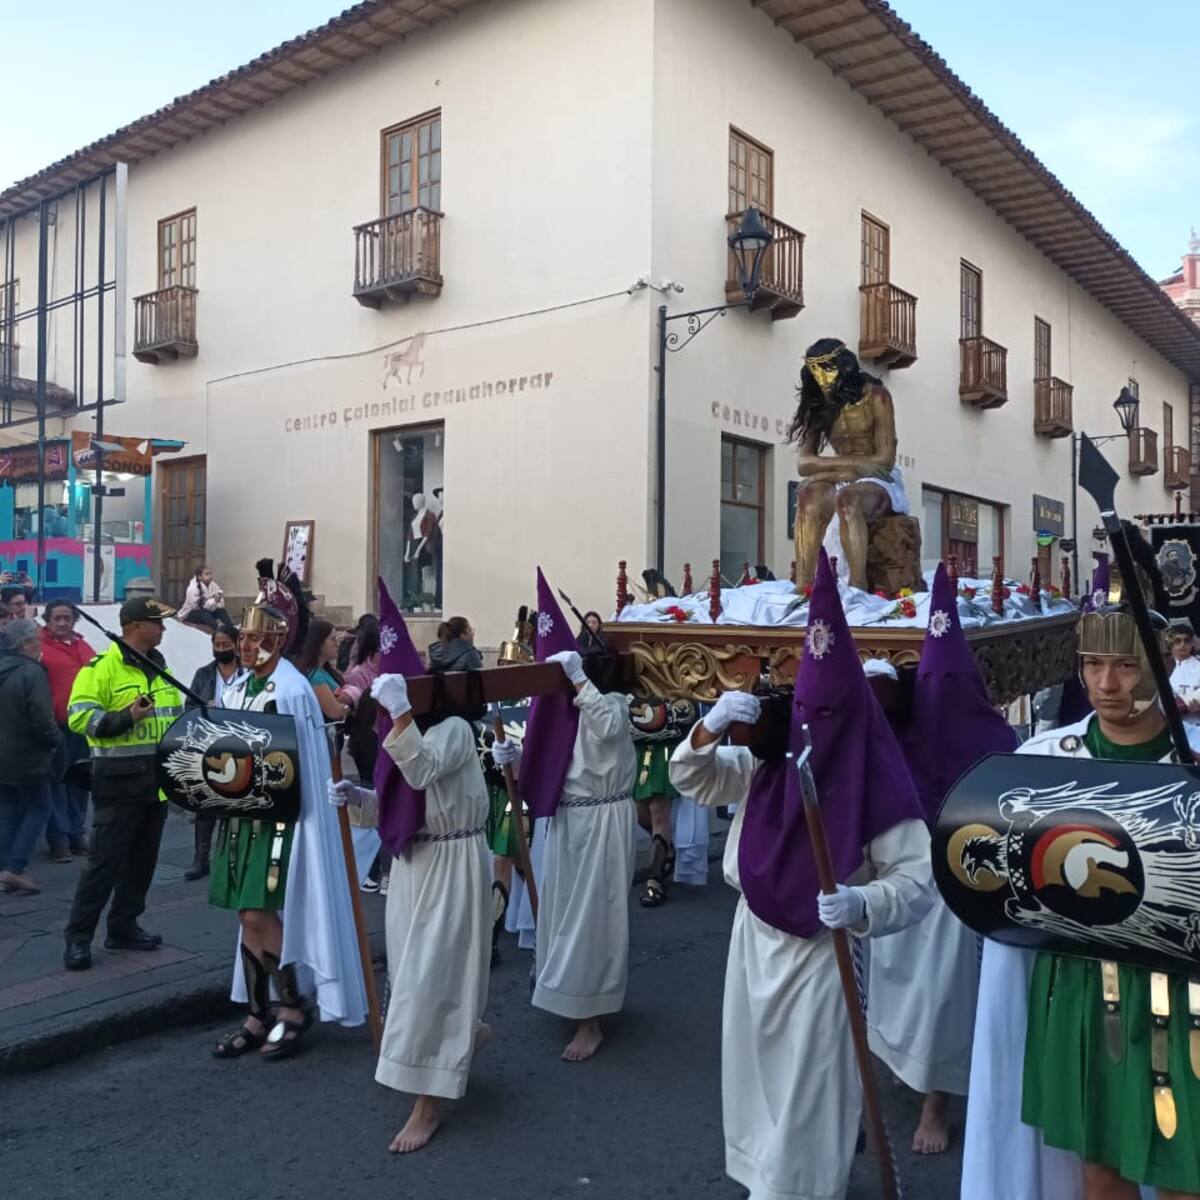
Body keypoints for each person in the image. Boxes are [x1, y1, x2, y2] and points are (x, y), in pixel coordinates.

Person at [668, 550, 933, 1200]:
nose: (818, 728)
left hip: (826, 955)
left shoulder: (877, 781)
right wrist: (712, 724)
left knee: (810, 1096)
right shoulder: (777, 760)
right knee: (758, 1080)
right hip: (753, 942)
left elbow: (917, 881)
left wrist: (862, 901)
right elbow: (692, 776)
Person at [964, 602, 1200, 1200]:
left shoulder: (1193, 759)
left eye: (1124, 665)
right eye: (1093, 664)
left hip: (1185, 990)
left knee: (1185, 1164)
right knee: (1099, 1166)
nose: (1106, 683)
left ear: (1158, 665)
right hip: (1082, 986)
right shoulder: (1044, 760)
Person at [867, 564, 1018, 1155]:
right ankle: (896, 1069)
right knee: (893, 980)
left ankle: (937, 1102)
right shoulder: (900, 733)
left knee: (946, 993)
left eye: (950, 681)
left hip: (963, 880)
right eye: (929, 680)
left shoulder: (1001, 742)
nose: (939, 695)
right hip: (905, 870)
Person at [336, 589, 491, 1152]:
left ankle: (429, 1100)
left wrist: (400, 713)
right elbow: (395, 802)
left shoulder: (451, 732)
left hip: (452, 860)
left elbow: (421, 773)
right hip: (412, 863)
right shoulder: (403, 732)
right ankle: (460, 1034)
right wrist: (356, 795)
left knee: (433, 973)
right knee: (409, 970)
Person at [210, 600, 367, 1059]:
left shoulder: (292, 689)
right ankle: (259, 1013)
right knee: (245, 915)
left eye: (255, 638)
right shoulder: (239, 686)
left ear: (276, 642)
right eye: (242, 638)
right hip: (242, 815)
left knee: (260, 912)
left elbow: (300, 760)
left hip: (279, 819)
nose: (245, 646)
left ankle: (294, 1007)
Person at [519, 570, 637, 1062]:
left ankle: (592, 1017)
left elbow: (607, 728)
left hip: (605, 821)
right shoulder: (573, 706)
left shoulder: (611, 703)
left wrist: (580, 679)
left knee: (595, 917)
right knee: (565, 910)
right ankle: (566, 988)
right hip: (571, 819)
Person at [62, 597, 182, 971]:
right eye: (157, 623)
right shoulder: (101, 668)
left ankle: (124, 926)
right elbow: (78, 718)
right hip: (118, 785)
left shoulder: (159, 668)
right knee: (103, 865)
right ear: (134, 627)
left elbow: (172, 717)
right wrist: (125, 717)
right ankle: (78, 939)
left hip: (156, 785)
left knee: (142, 864)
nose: (163, 629)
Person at [181, 621, 248, 881]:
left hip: (240, 743)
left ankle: (232, 859)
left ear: (236, 645)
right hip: (211, 744)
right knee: (205, 804)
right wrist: (204, 708)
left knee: (236, 805)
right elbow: (189, 706)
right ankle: (201, 858)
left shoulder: (248, 673)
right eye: (217, 645)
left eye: (226, 645)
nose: (221, 649)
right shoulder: (203, 674)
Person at [0, 619, 60, 895]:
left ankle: (6, 868)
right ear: (26, 643)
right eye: (37, 639)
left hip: (4, 754)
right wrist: (55, 742)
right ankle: (15, 867)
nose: (41, 644)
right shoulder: (31, 673)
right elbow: (42, 719)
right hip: (27, 755)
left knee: (9, 809)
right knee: (40, 807)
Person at [39, 600, 94, 862]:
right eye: (56, 618)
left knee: (79, 781)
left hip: (82, 726)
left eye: (67, 618)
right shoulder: (38, 647)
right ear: (47, 621)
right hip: (55, 725)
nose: (62, 623)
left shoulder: (85, 647)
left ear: (75, 620)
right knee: (56, 783)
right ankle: (58, 838)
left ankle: (76, 833)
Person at [294, 618, 350, 723]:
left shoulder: (325, 671)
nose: (338, 644)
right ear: (318, 642)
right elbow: (334, 711)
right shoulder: (314, 676)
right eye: (333, 639)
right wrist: (351, 703)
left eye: (338, 640)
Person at [177, 564, 232, 631]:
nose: (210, 576)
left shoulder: (213, 585)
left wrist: (217, 600)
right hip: (191, 614)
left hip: (208, 612)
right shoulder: (192, 588)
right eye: (207, 574)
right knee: (203, 613)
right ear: (199, 576)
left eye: (210, 574)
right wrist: (213, 600)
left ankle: (231, 629)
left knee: (221, 611)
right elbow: (196, 607)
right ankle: (218, 629)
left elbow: (220, 603)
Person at [1168, 618, 1200, 725]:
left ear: (1192, 644)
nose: (1182, 644)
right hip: (1165, 727)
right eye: (1178, 640)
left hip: (1194, 728)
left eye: (1186, 640)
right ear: (1171, 643)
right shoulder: (1162, 666)